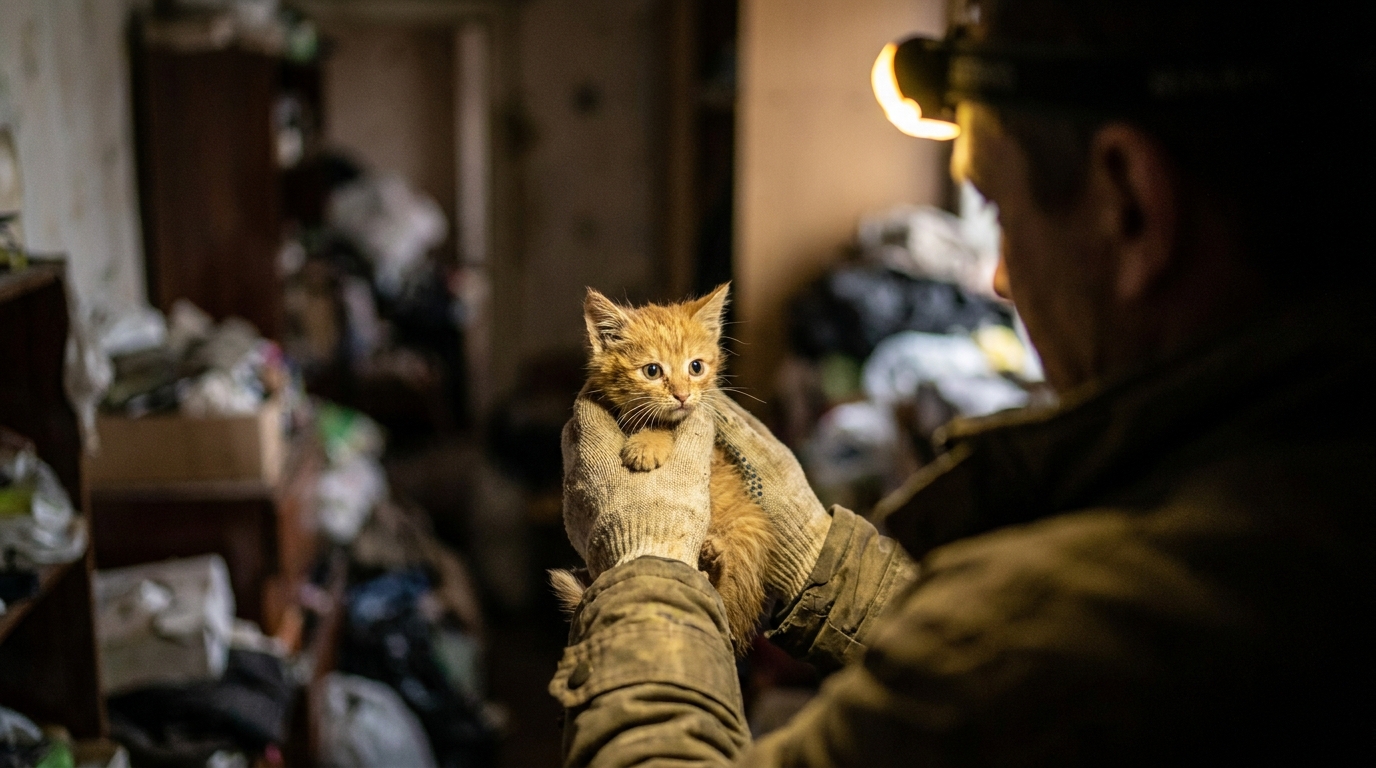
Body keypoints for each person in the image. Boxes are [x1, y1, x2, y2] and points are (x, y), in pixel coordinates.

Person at [550, 0, 1373, 764]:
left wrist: (644, 578)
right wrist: (825, 565)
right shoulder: (1304, 476)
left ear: (1131, 203)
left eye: (998, 208)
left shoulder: (1109, 610)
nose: (1003, 280)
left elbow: (1003, 657)